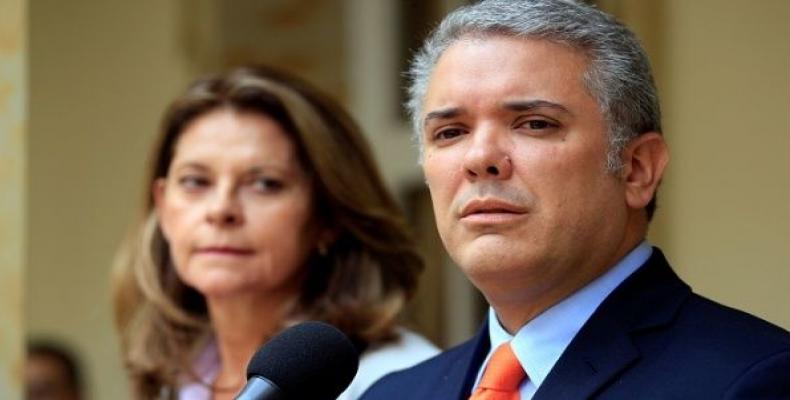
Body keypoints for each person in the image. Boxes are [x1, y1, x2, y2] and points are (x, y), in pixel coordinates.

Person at [361, 1, 790, 399]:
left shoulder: (754, 379)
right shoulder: (392, 394)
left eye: (533, 124)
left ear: (637, 168)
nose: (480, 158)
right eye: (450, 132)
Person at [112, 66, 438, 400]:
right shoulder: (176, 380)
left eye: (265, 183)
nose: (221, 209)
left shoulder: (404, 380)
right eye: (196, 181)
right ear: (163, 207)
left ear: (329, 217)